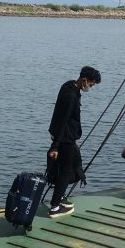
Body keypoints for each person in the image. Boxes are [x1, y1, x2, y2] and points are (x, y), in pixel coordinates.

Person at [47, 66, 101, 218]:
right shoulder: (71, 96)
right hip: (65, 138)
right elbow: (64, 120)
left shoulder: (69, 85)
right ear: (84, 80)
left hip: (64, 136)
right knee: (66, 172)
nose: (90, 87)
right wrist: (55, 146)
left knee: (76, 166)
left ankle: (60, 195)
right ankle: (55, 207)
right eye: (91, 84)